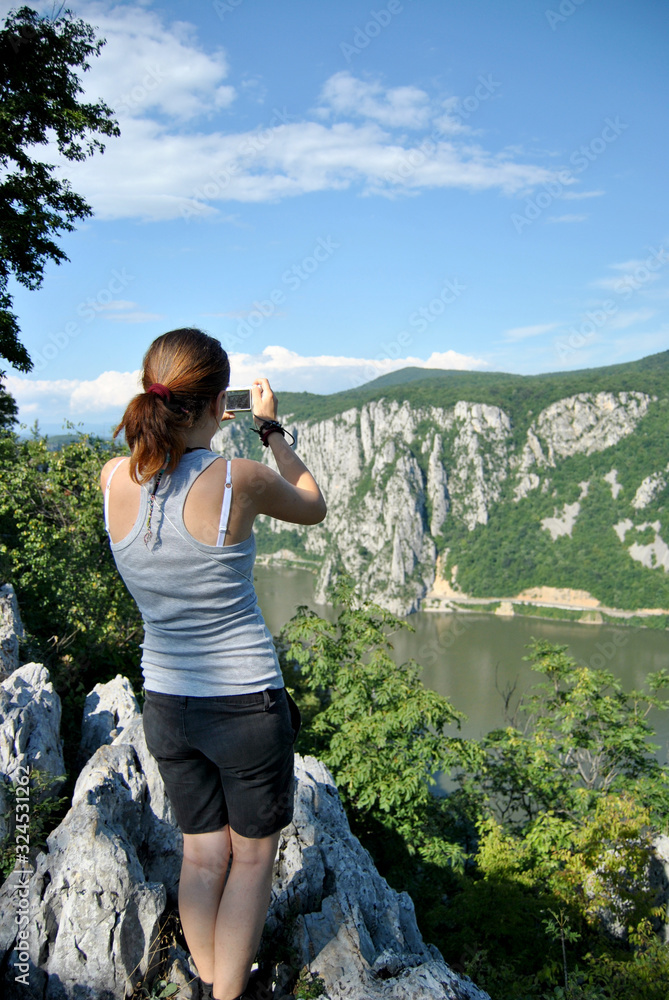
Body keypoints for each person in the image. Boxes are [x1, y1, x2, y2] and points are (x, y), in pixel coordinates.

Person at [100, 328, 326, 1000]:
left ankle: (206, 978)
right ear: (215, 403)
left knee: (200, 853)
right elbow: (313, 504)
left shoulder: (111, 478)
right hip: (244, 705)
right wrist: (272, 430)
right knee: (252, 856)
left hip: (167, 704)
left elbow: (159, 469)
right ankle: (229, 992)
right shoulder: (238, 480)